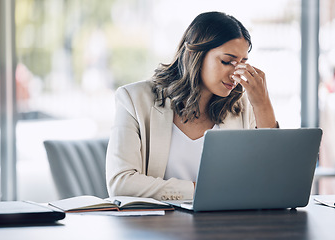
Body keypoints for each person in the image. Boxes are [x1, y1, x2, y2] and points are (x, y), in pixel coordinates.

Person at [106, 11, 278, 201]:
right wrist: (201, 190)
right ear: (194, 54)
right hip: (157, 226)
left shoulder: (242, 106)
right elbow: (121, 183)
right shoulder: (134, 99)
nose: (235, 74)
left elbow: (273, 178)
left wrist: (262, 105)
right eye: (227, 62)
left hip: (227, 225)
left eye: (242, 63)